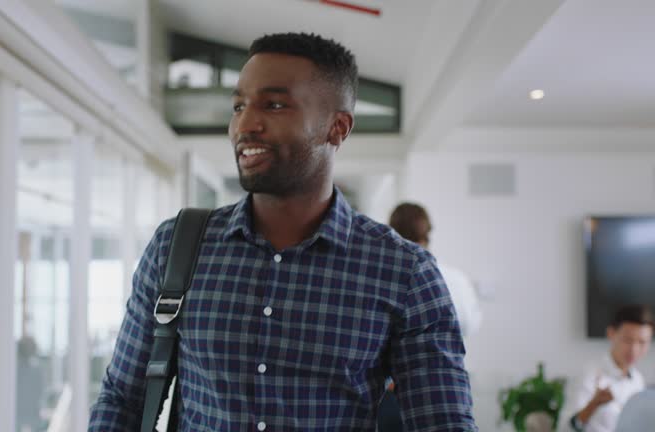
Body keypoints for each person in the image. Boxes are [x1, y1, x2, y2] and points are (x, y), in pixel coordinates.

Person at [89, 32, 476, 431]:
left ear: (337, 128)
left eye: (274, 105)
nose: (245, 124)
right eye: (239, 105)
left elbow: (443, 423)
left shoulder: (404, 273)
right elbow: (122, 399)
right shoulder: (177, 248)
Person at [388, 202, 482, 337]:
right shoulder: (454, 278)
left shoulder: (384, 279)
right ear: (428, 232)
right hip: (449, 355)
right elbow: (468, 324)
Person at [562, 305, 653, 432]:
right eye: (627, 340)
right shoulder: (589, 374)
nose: (634, 350)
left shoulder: (637, 380)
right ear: (611, 334)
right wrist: (593, 404)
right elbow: (565, 429)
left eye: (642, 342)